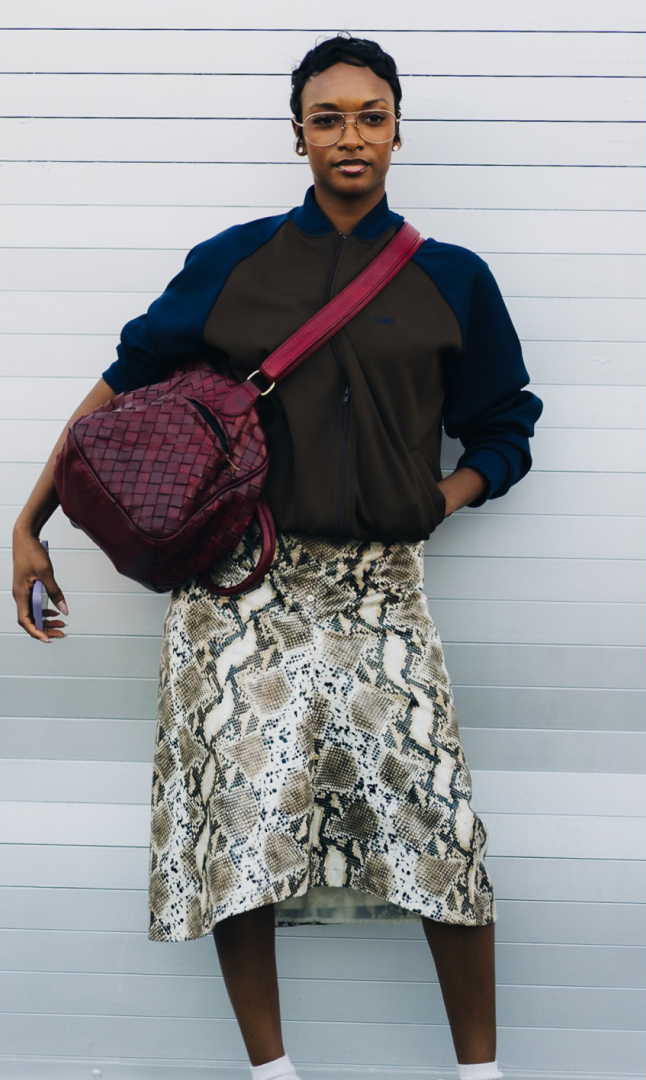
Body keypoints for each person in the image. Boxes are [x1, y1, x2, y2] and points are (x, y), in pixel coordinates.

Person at [10, 35, 543, 1080]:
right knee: (239, 824)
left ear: (398, 127)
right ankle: (273, 1073)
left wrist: (437, 500)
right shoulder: (233, 262)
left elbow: (507, 422)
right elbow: (117, 399)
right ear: (296, 133)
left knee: (438, 823)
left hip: (381, 588)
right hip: (237, 591)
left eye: (371, 115)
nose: (351, 135)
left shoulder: (453, 280)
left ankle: (481, 1074)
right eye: (329, 116)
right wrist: (29, 524)